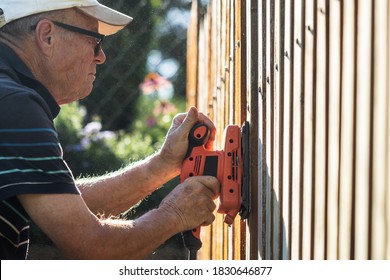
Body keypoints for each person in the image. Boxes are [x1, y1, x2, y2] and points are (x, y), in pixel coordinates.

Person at [0, 0, 219, 260]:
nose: (101, 56)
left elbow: (66, 205)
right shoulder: (13, 103)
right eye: (95, 40)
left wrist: (160, 166)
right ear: (47, 36)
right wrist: (175, 214)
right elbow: (92, 247)